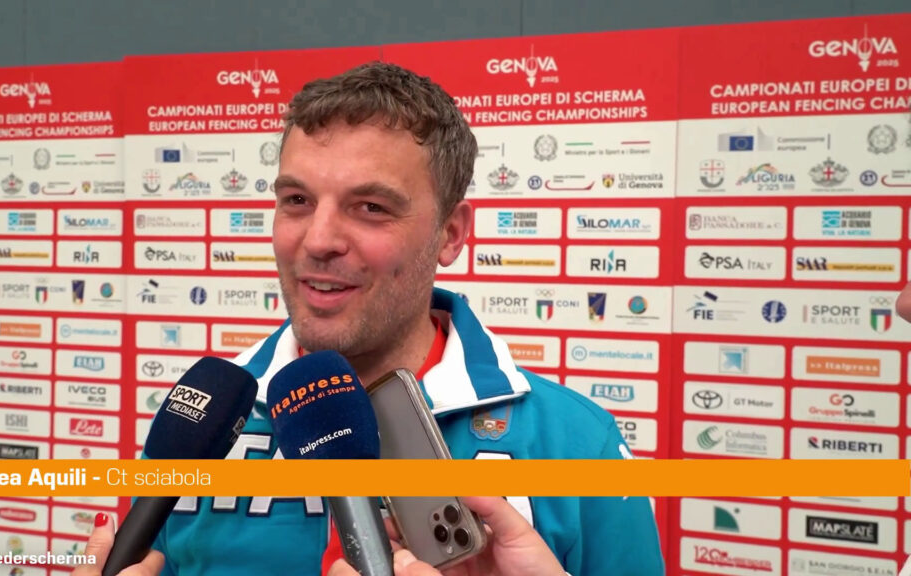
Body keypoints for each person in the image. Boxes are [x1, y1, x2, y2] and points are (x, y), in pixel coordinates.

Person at [74, 61, 664, 575]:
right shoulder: (206, 420)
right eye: (297, 200)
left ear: (450, 233)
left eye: (371, 207)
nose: (318, 240)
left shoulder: (577, 442)